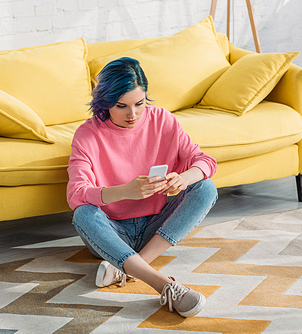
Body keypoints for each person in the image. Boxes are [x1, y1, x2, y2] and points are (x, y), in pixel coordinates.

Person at [66, 57, 218, 318]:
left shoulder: (163, 121)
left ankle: (127, 267)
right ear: (105, 103)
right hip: (112, 232)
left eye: (140, 103)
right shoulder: (87, 135)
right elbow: (76, 193)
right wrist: (125, 191)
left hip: (154, 226)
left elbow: (204, 161)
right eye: (121, 106)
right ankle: (164, 285)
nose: (133, 114)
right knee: (83, 214)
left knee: (205, 187)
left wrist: (183, 178)